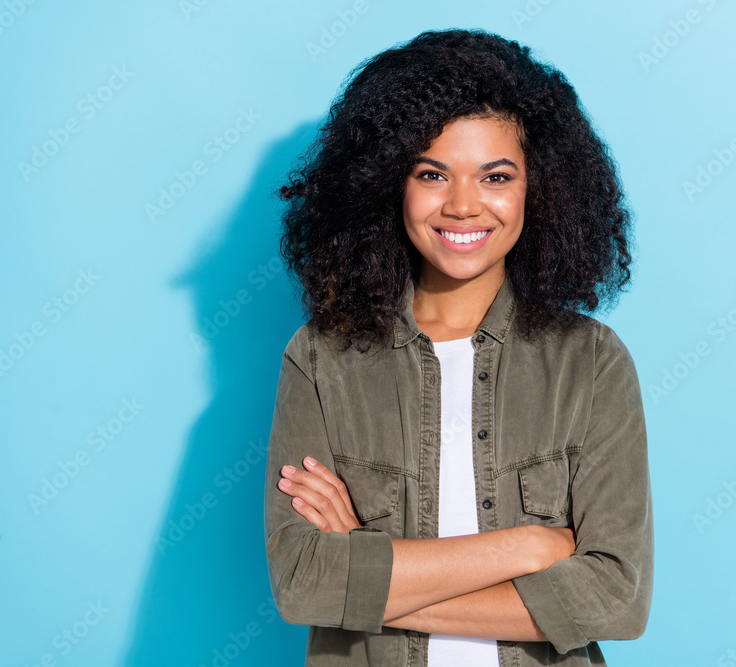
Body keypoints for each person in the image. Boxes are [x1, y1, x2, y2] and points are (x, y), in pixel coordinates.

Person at [263, 28, 652, 667]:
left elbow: (616, 598)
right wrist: (525, 547)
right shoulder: (319, 359)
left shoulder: (592, 361)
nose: (464, 205)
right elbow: (303, 583)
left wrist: (362, 569)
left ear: (539, 189)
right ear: (391, 182)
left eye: (495, 176)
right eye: (432, 173)